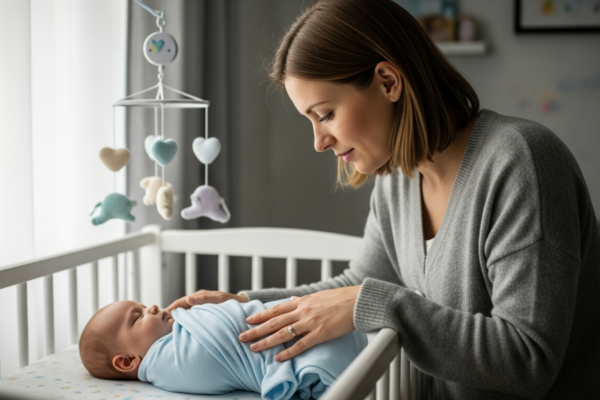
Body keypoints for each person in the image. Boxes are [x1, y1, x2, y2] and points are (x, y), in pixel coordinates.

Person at [167, 0, 600, 398]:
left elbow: (528, 359)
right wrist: (246, 305)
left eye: (325, 115)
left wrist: (373, 303)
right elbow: (355, 285)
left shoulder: (520, 162)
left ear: (388, 82)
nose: (318, 142)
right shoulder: (398, 177)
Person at [78, 298, 366, 400]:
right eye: (138, 317)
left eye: (142, 304)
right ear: (128, 361)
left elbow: (225, 321)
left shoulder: (179, 328)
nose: (152, 306)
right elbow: (210, 360)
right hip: (299, 350)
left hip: (319, 326)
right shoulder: (166, 363)